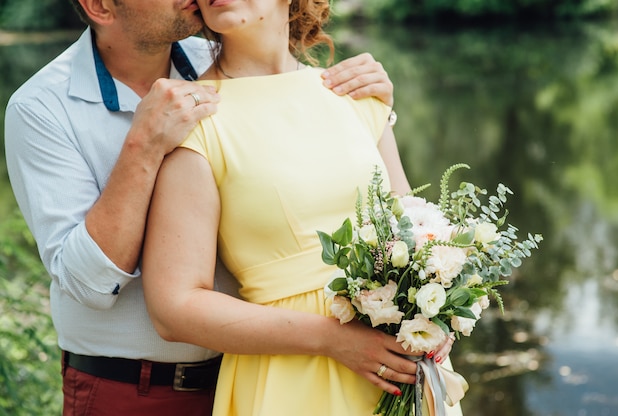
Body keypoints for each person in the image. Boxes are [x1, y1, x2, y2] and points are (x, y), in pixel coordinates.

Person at [4, 0, 411, 415]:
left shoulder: (214, 51)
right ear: (101, 6)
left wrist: (373, 110)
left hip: (259, 363)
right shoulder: (41, 107)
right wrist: (142, 146)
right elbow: (88, 284)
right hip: (136, 388)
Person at [141, 0, 460, 415]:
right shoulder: (194, 118)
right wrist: (332, 339)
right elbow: (174, 309)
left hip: (400, 369)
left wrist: (439, 312)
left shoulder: (357, 94)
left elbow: (416, 232)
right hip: (291, 380)